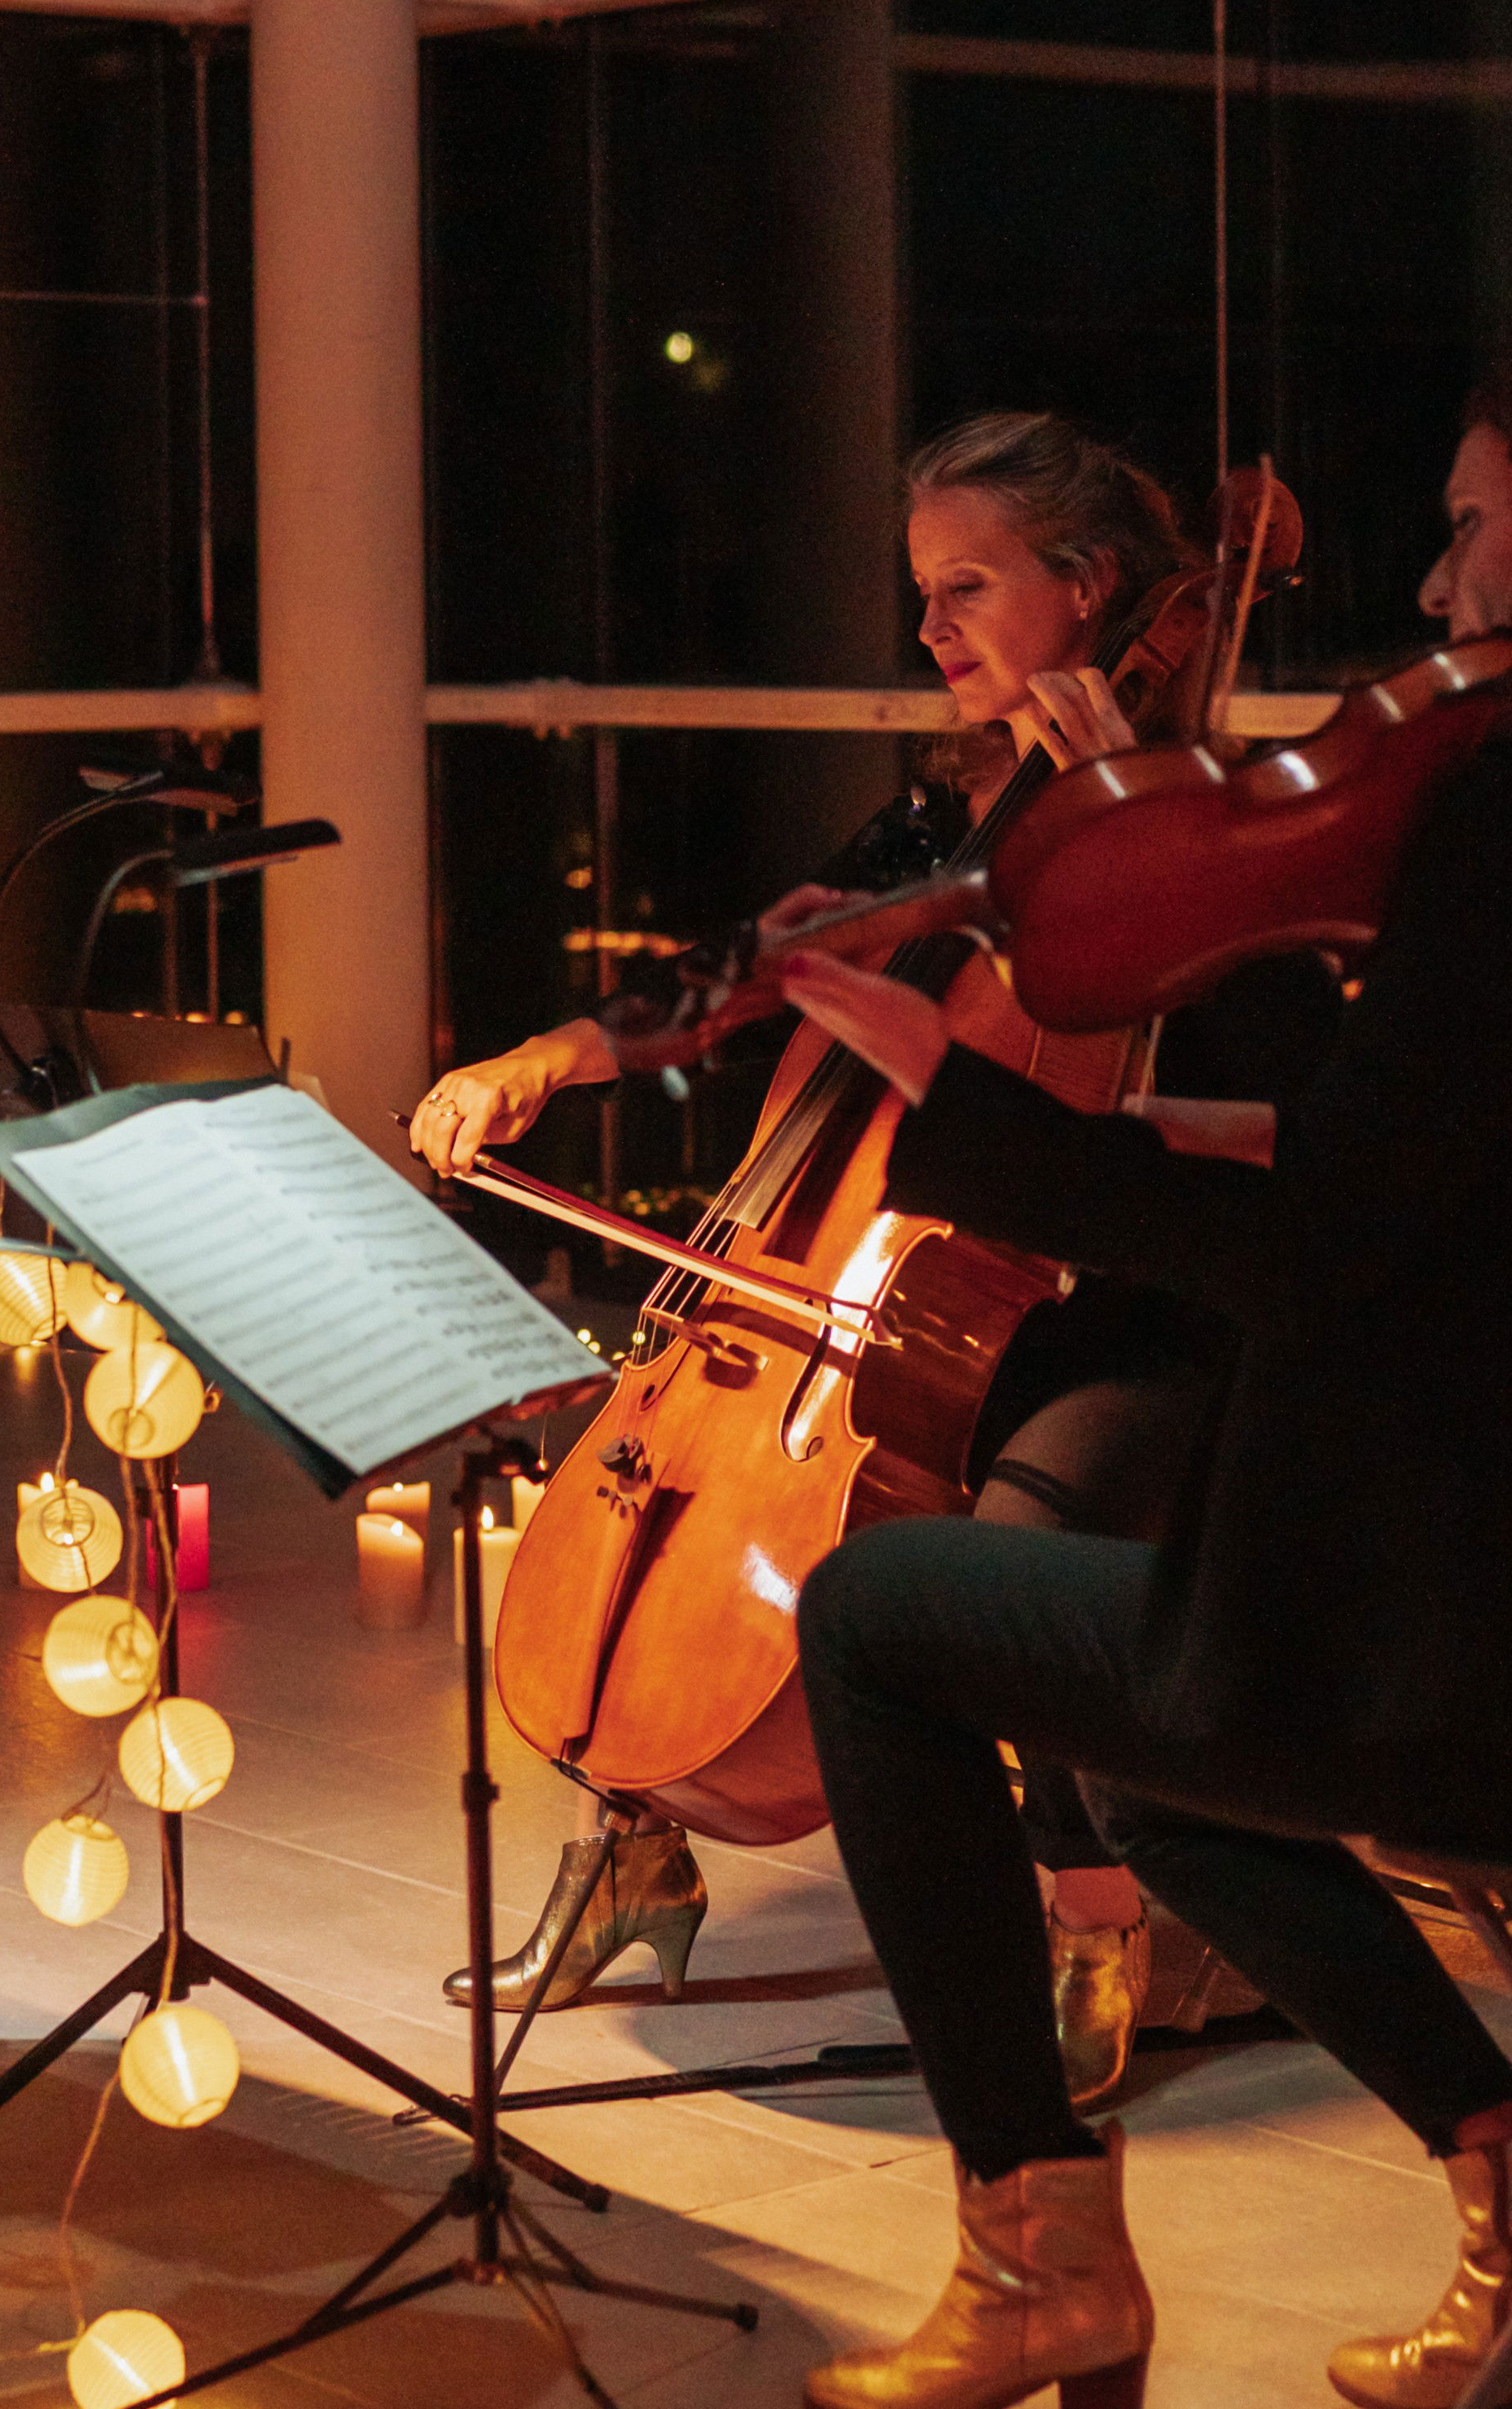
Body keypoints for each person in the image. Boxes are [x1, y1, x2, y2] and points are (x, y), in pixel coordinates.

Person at [776, 335, 1512, 2409]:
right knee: (1152, 1746)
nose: (1427, 587)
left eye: (1466, 523)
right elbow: (1439, 1177)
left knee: (877, 1621)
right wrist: (1232, 919)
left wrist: (958, 1103)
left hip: (1510, 1680)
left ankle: (1036, 2261)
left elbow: (1322, 1242)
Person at [411, 413, 1331, 2093]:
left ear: (1095, 586)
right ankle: (632, 1840)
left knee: (1015, 1550)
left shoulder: (1216, 825)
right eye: (920, 592)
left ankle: (1095, 1917)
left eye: (962, 586)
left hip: (1135, 1320)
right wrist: (550, 1053)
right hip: (893, 1302)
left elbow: (1283, 1077)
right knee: (651, 1462)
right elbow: (757, 963)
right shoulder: (946, 818)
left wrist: (1129, 830)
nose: (927, 632)